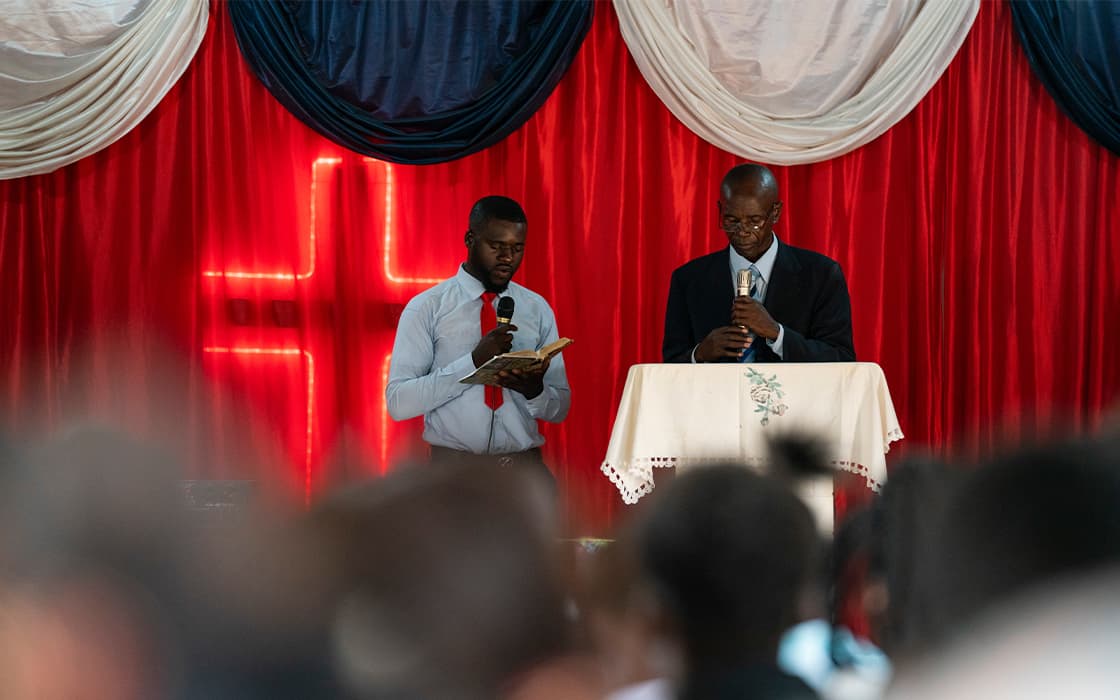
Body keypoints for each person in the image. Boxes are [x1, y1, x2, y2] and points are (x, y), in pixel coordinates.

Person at [386, 195, 570, 481]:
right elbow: (399, 403)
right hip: (451, 479)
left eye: (517, 248)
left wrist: (535, 391)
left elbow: (560, 409)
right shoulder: (427, 307)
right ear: (470, 239)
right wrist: (473, 362)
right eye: (496, 246)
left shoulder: (537, 309)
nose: (507, 257)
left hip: (524, 476)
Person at [662, 164, 855, 363]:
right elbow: (670, 365)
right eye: (731, 220)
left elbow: (841, 359)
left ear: (776, 212)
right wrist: (699, 354)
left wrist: (777, 334)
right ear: (720, 210)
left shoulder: (822, 275)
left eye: (754, 221)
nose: (742, 231)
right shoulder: (688, 279)